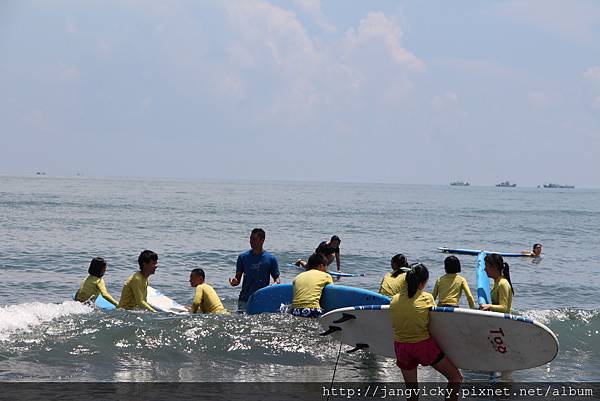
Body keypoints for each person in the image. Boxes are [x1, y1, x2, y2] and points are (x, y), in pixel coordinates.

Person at [389, 263, 462, 400]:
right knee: (455, 378)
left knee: (412, 394)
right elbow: (437, 324)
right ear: (422, 283)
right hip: (422, 346)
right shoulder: (427, 298)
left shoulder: (394, 300)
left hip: (401, 347)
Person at [229, 228, 280, 312]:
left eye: (254, 239)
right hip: (244, 298)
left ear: (262, 240)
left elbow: (277, 278)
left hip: (262, 298)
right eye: (250, 239)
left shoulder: (271, 259)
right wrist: (234, 282)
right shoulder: (243, 257)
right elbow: (237, 279)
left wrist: (275, 284)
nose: (251, 241)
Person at [289, 253, 333, 318]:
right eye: (326, 266)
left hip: (294, 310)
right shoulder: (326, 276)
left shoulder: (297, 277)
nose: (327, 269)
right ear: (321, 266)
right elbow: (331, 292)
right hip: (312, 309)